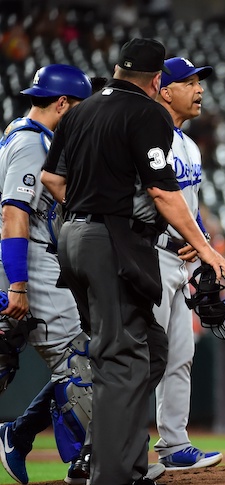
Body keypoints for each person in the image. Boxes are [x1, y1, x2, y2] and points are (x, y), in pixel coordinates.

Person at [40, 39, 225, 485]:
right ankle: (110, 473)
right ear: (158, 81)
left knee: (148, 349)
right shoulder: (145, 113)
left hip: (74, 238)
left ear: (117, 68)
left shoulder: (84, 108)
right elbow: (163, 192)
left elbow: (52, 176)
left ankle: (122, 462)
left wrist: (86, 208)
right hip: (110, 242)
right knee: (123, 359)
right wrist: (205, 248)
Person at [0, 64, 94, 485]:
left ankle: (18, 436)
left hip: (37, 258)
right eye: (79, 107)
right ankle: (90, 462)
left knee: (78, 356)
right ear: (62, 103)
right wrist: (17, 284)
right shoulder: (31, 143)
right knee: (79, 360)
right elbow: (13, 214)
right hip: (28, 261)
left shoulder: (27, 136)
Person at [152, 56, 223, 470]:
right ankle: (107, 446)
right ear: (165, 89)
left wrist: (203, 245)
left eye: (200, 82)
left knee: (180, 355)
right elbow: (153, 198)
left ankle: (174, 444)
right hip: (151, 254)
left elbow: (191, 207)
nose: (199, 90)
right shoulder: (149, 135)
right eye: (189, 82)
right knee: (143, 357)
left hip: (180, 257)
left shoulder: (189, 144)